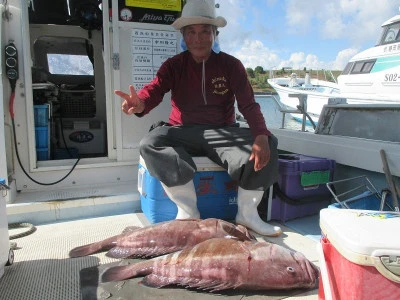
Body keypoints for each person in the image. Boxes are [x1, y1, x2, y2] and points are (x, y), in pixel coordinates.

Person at [115, 0, 282, 236]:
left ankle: (247, 214)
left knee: (269, 142)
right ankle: (188, 211)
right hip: (182, 130)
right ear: (183, 35)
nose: (198, 38)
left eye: (205, 31)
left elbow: (248, 104)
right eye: (191, 32)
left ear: (215, 34)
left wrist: (261, 134)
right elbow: (154, 89)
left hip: (222, 132)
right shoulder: (174, 65)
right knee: (150, 143)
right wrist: (139, 102)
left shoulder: (231, 65)